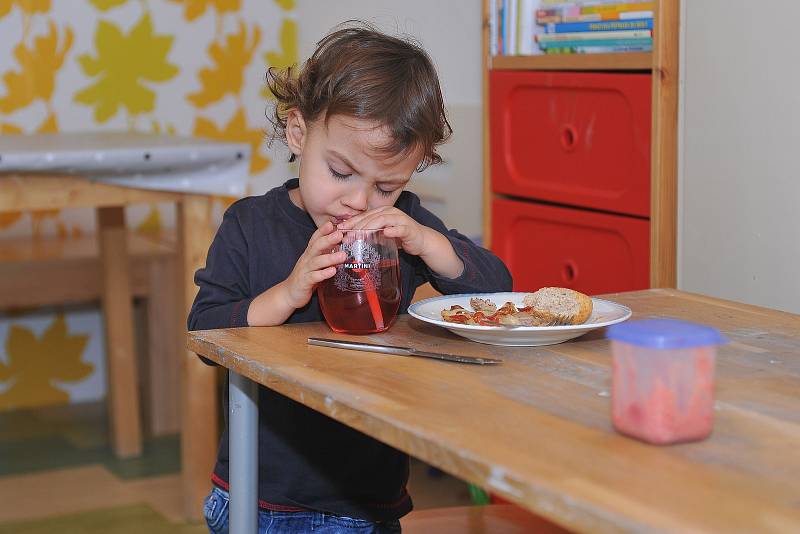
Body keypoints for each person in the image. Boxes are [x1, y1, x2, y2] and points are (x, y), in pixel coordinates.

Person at [189, 21, 513, 534]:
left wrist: (427, 243)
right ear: (298, 133)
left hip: (367, 504)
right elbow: (206, 330)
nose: (359, 202)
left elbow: (497, 291)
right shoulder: (250, 225)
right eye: (340, 173)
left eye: (386, 186)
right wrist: (289, 293)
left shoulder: (403, 226)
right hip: (261, 498)